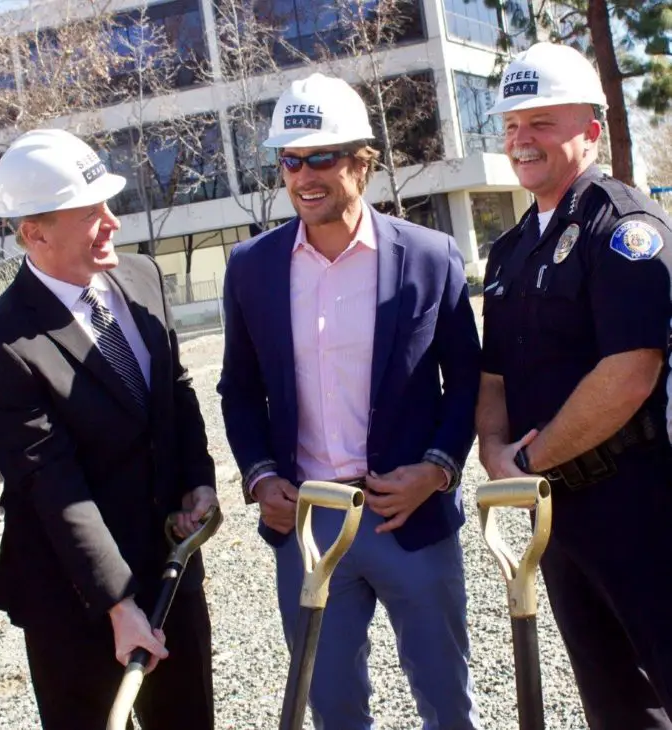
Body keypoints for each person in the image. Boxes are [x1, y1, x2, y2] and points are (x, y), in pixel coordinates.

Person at [218, 72, 482, 730]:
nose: (304, 175)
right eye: (290, 160)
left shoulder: (430, 257)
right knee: (333, 707)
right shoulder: (251, 268)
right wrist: (259, 477)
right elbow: (239, 390)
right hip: (309, 526)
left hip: (409, 519)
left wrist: (438, 469)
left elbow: (467, 383)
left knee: (447, 702)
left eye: (322, 157)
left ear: (362, 161)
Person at [0, 129, 218, 730]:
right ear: (35, 233)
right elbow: (50, 485)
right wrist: (118, 605)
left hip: (170, 569)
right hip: (73, 598)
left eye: (109, 205)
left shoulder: (140, 279)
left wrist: (197, 481)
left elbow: (178, 389)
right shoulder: (1, 343)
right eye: (90, 214)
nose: (112, 223)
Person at [476, 42, 672, 729]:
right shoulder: (510, 248)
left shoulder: (623, 229)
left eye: (542, 123)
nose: (521, 141)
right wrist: (495, 453)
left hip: (638, 502)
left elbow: (630, 371)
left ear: (591, 130)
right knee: (613, 699)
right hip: (554, 511)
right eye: (511, 126)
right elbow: (494, 371)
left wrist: (525, 461)